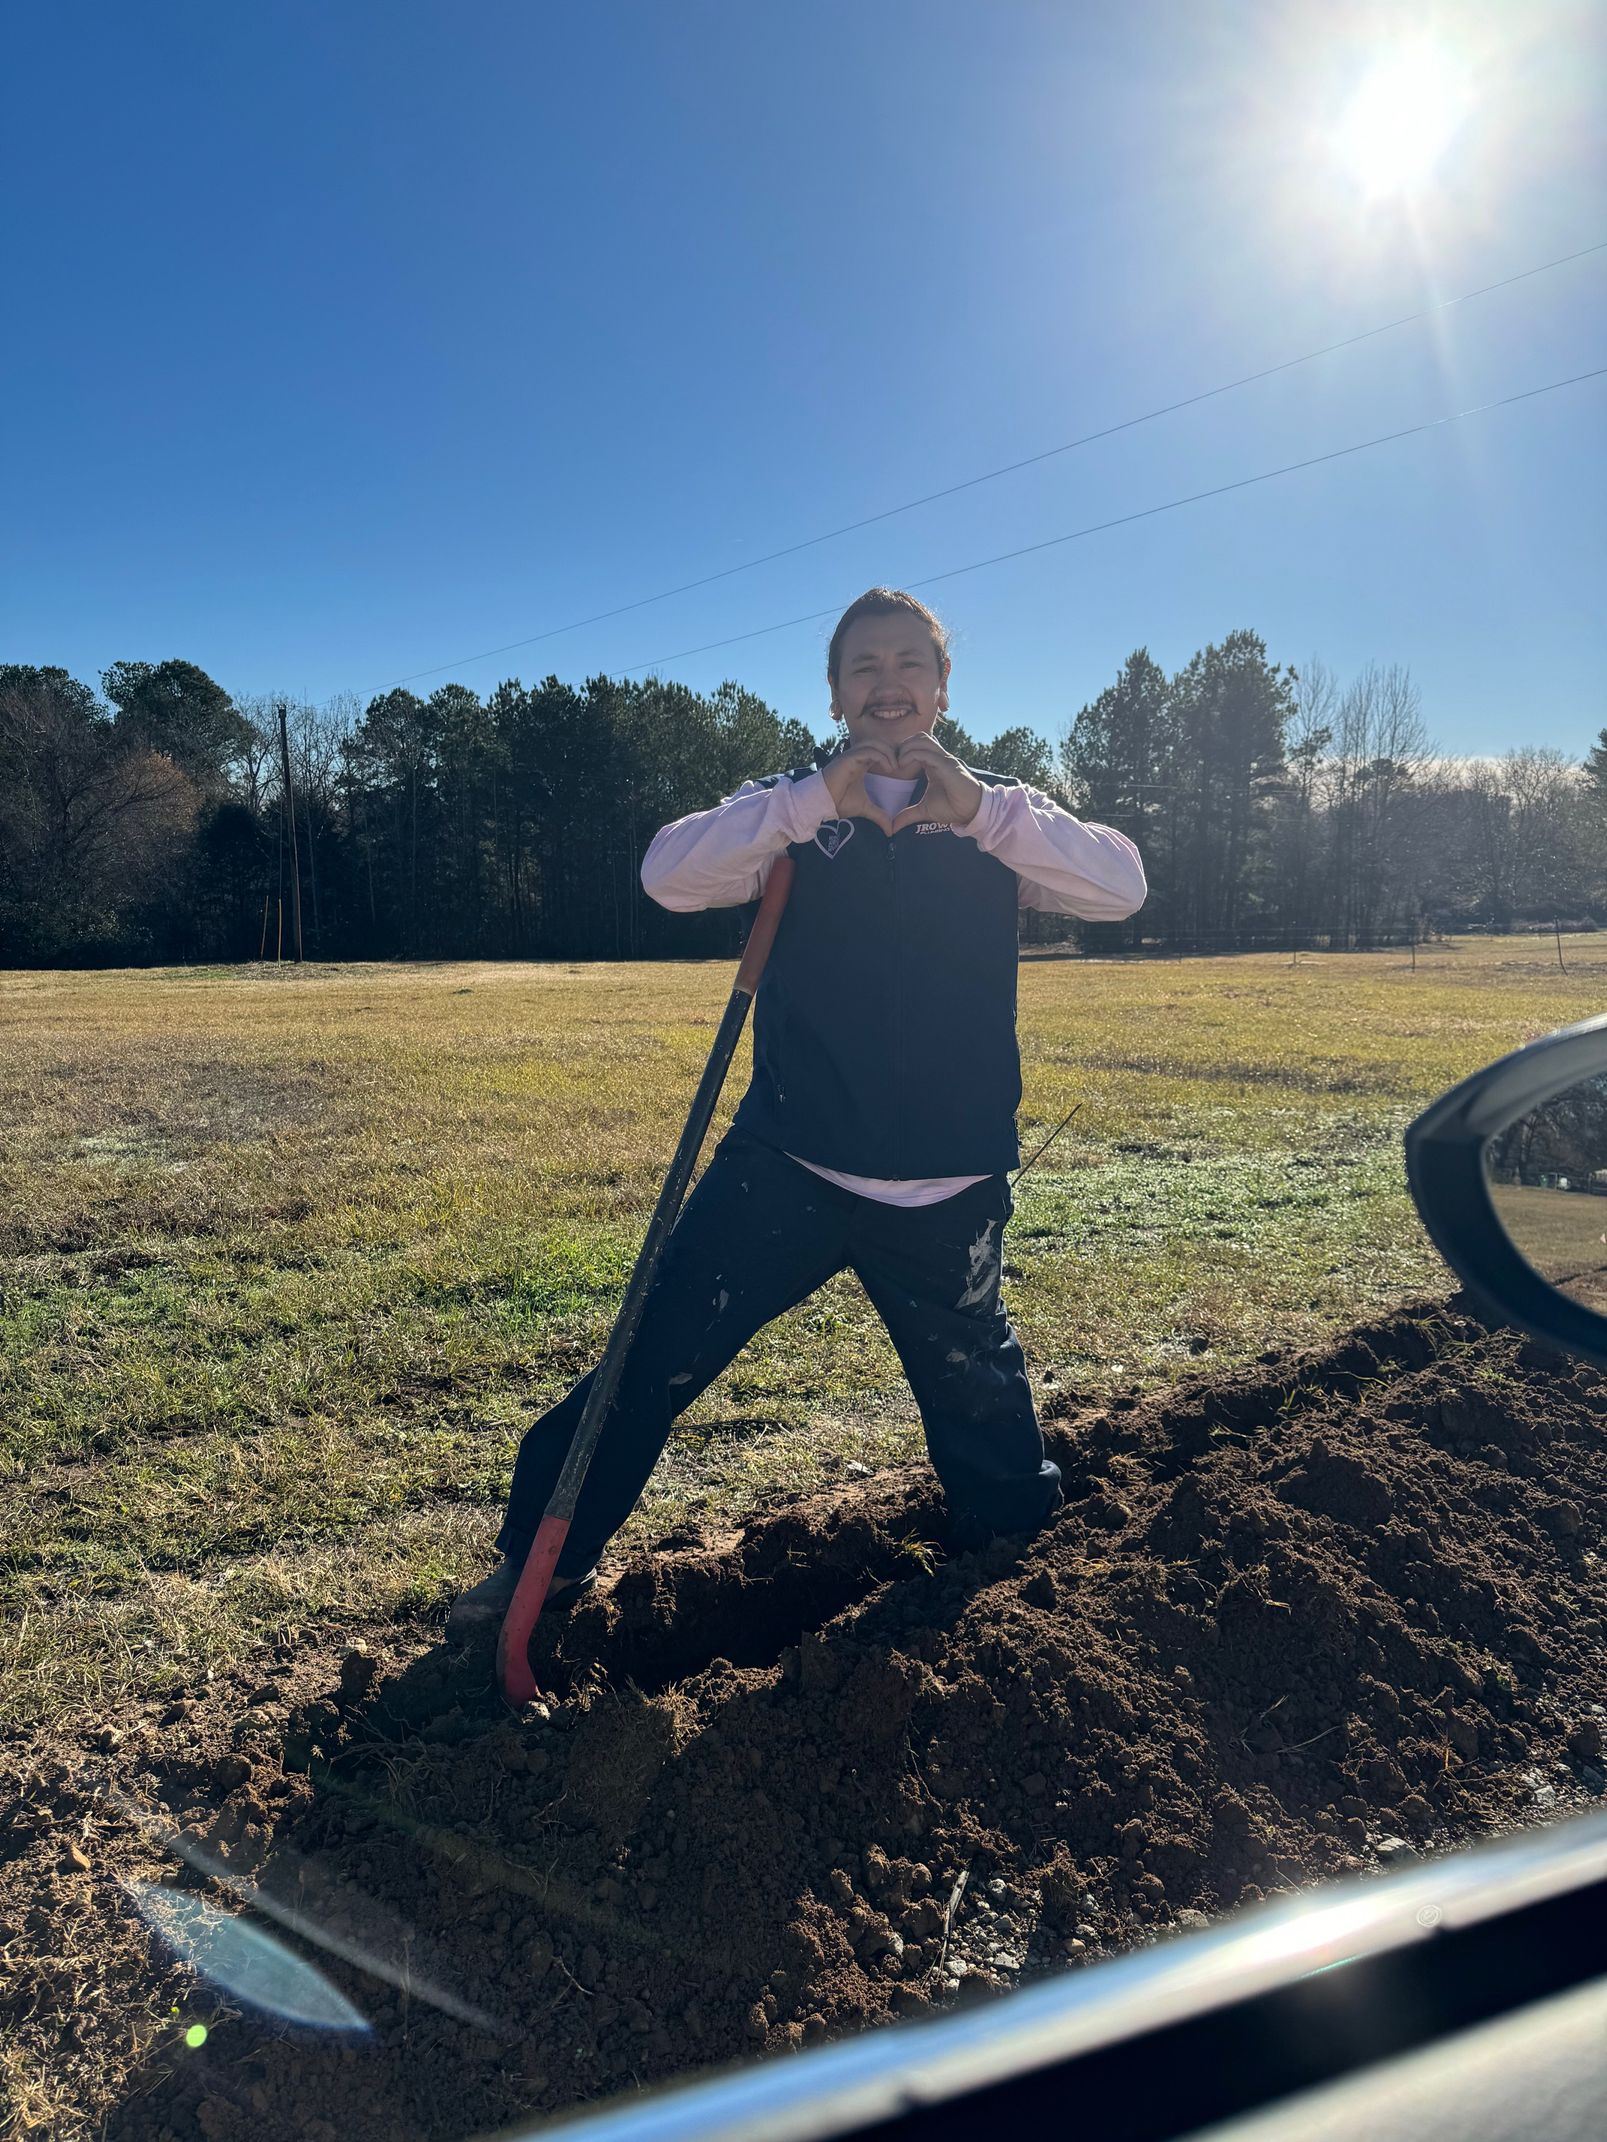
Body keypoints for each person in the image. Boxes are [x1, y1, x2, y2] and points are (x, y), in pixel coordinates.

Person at [448, 588, 1146, 1638]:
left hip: (946, 1182)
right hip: (787, 1164)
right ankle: (538, 1565)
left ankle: (1012, 1598)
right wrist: (805, 804)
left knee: (980, 1406)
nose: (887, 682)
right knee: (648, 1359)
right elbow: (667, 877)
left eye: (908, 663)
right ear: (834, 694)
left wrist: (986, 814)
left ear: (941, 689)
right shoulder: (792, 803)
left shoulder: (998, 813)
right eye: (862, 666)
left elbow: (1121, 890)